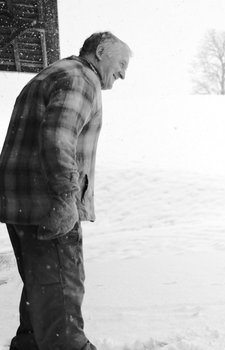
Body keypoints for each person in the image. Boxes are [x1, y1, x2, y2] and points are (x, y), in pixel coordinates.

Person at [0, 31, 131, 350]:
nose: (124, 74)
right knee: (61, 315)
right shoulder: (80, 79)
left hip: (23, 207)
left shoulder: (55, 73)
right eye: (122, 64)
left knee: (40, 304)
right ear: (100, 51)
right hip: (49, 208)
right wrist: (64, 199)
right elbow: (58, 138)